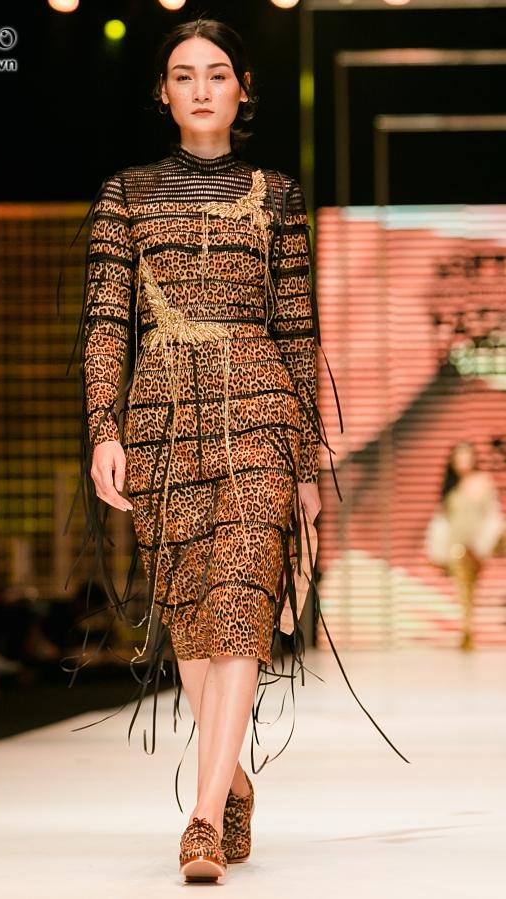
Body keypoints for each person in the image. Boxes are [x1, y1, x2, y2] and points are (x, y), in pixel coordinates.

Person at [65, 17, 408, 882]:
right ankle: (235, 779)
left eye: (218, 73)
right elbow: (106, 323)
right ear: (163, 92)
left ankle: (202, 817)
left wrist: (309, 465)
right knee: (192, 613)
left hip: (261, 409)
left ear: (244, 88)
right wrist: (104, 429)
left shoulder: (279, 196)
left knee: (243, 604)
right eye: (184, 74)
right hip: (162, 414)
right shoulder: (126, 195)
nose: (202, 88)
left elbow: (296, 333)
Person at [426, 441, 505, 650]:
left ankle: (468, 631)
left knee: (471, 587)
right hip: (457, 545)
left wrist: (484, 543)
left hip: (478, 545)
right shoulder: (451, 487)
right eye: (458, 457)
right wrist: (437, 551)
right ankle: (467, 632)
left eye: (466, 456)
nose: (462, 460)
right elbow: (442, 521)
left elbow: (492, 515)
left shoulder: (483, 482)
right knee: (463, 588)